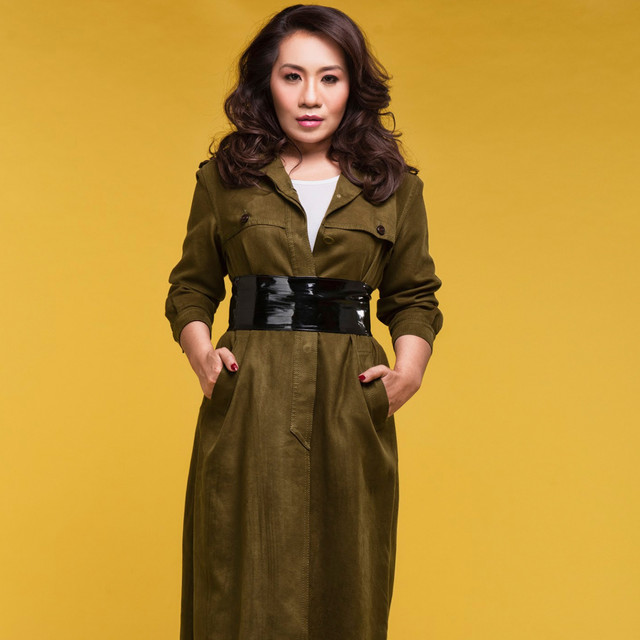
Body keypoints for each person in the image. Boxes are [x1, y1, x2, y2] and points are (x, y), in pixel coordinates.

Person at [164, 4, 443, 639]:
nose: (310, 97)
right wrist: (202, 356)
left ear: (353, 87)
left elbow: (414, 295)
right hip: (251, 395)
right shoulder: (225, 180)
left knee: (351, 573)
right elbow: (192, 286)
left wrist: (408, 373)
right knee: (237, 569)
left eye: (330, 77)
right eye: (292, 76)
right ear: (267, 82)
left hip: (351, 399)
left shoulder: (394, 187)